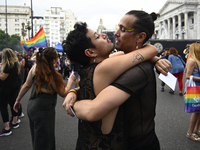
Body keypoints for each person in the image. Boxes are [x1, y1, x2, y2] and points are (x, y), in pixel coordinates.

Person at [63, 10, 171, 150]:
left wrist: (74, 97)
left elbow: (146, 52)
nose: (115, 33)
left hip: (137, 144)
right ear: (90, 52)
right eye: (97, 37)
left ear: (140, 37)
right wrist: (74, 93)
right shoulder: (107, 66)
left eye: (123, 29)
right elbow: (150, 49)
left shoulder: (134, 68)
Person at [13, 47, 75, 150]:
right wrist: (71, 80)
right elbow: (63, 93)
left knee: (37, 138)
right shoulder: (52, 74)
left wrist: (18, 100)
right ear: (54, 60)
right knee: (45, 141)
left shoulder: (35, 67)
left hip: (32, 107)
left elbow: (26, 85)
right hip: (44, 111)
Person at [0, 48, 22, 136]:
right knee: (14, 104)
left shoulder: (8, 65)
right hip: (14, 87)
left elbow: (2, 77)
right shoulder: (16, 63)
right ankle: (14, 122)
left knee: (3, 106)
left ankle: (6, 128)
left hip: (6, 88)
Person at [185, 43, 200, 141]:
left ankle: (195, 130)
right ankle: (190, 133)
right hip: (195, 89)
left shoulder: (197, 60)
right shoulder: (192, 61)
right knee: (196, 111)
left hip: (198, 87)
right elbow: (187, 76)